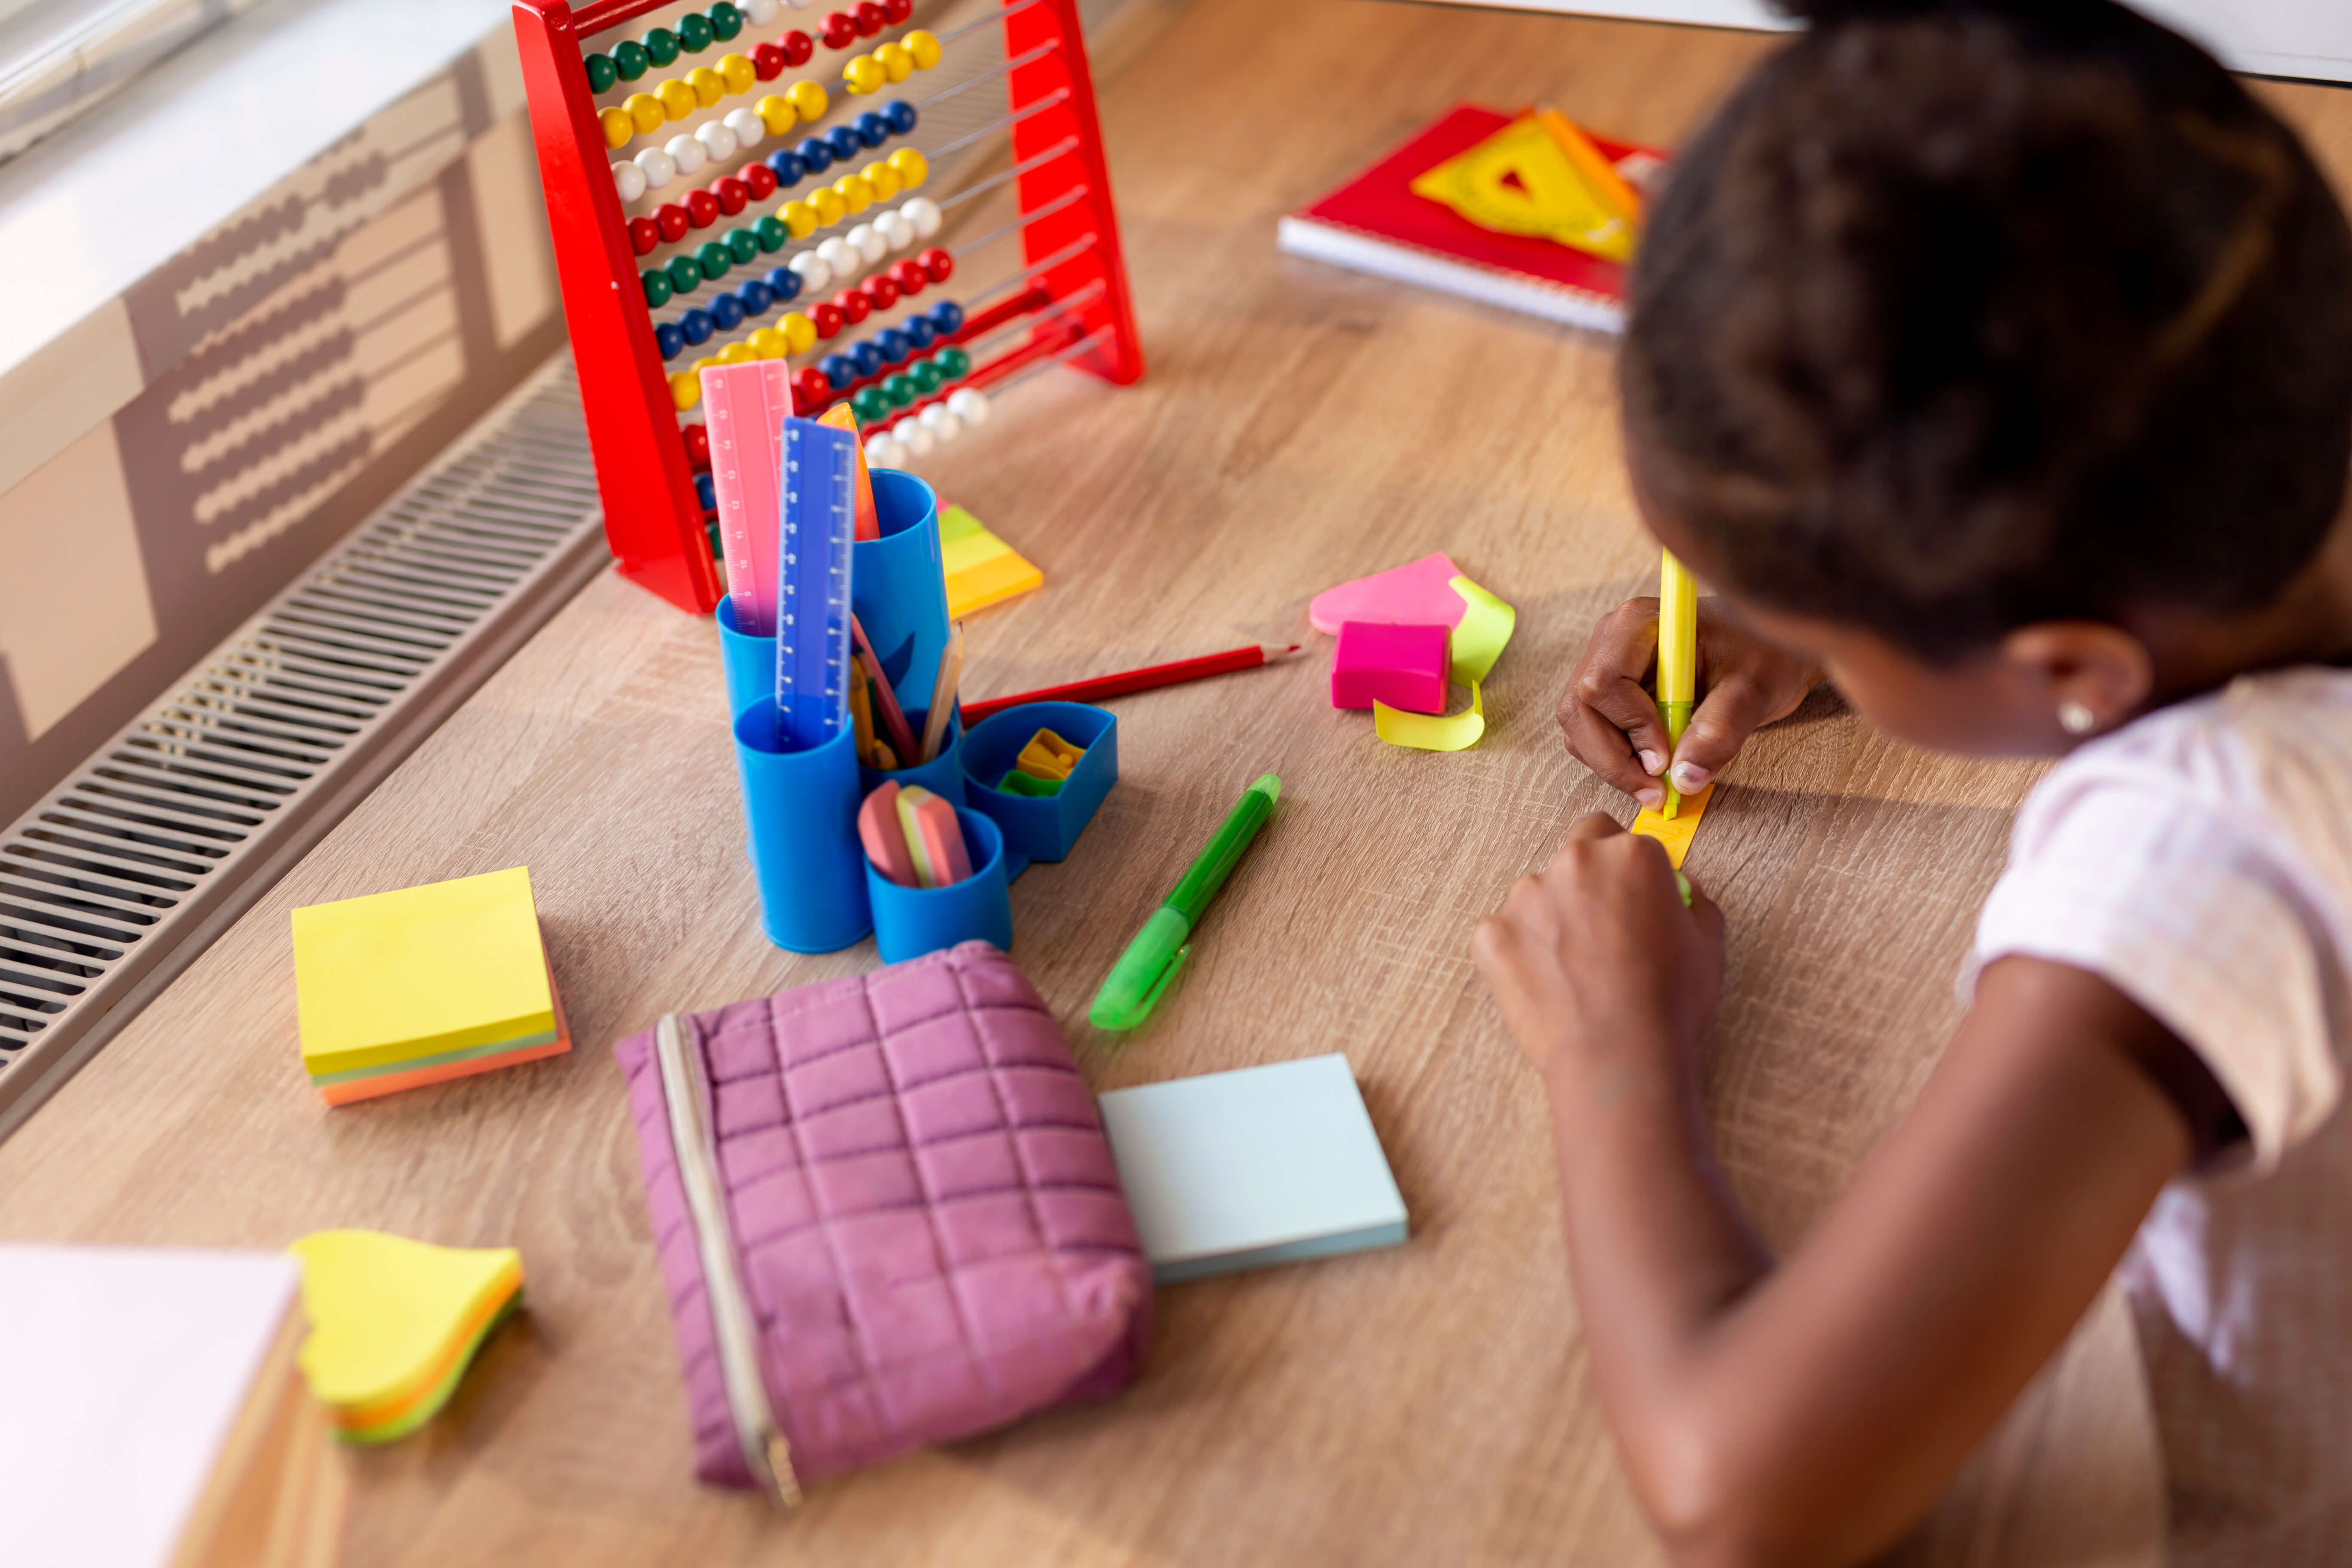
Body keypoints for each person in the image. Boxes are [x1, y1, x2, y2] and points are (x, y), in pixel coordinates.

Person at [1469, 2, 2352, 1564]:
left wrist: (1616, 1053)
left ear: (2074, 666)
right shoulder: (2272, 395)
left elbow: (1748, 1498)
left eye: (1824, 630)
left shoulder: (2212, 857)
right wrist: (1868, 616)